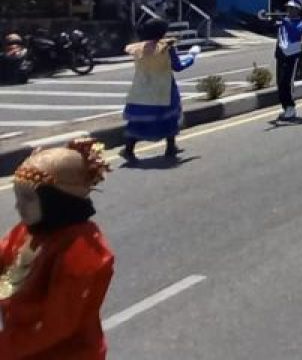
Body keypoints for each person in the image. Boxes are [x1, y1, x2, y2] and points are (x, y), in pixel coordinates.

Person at [1, 139, 114, 359]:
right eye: (18, 198)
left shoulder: (83, 251)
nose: (18, 207)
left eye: (27, 199)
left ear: (55, 201)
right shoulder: (29, 231)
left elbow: (53, 326)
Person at [120, 18, 200, 164]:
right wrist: (192, 56)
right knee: (170, 117)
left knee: (137, 120)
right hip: (164, 87)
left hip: (141, 88)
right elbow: (178, 66)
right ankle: (170, 147)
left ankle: (129, 149)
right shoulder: (167, 47)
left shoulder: (137, 48)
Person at [263, 0, 302, 121]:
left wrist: (284, 21)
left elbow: (296, 32)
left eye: (293, 8)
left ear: (298, 9)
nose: (289, 10)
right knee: (280, 83)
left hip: (292, 56)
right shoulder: (283, 22)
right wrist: (268, 18)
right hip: (281, 55)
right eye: (289, 8)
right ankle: (286, 108)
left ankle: (291, 107)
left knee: (287, 82)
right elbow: (272, 29)